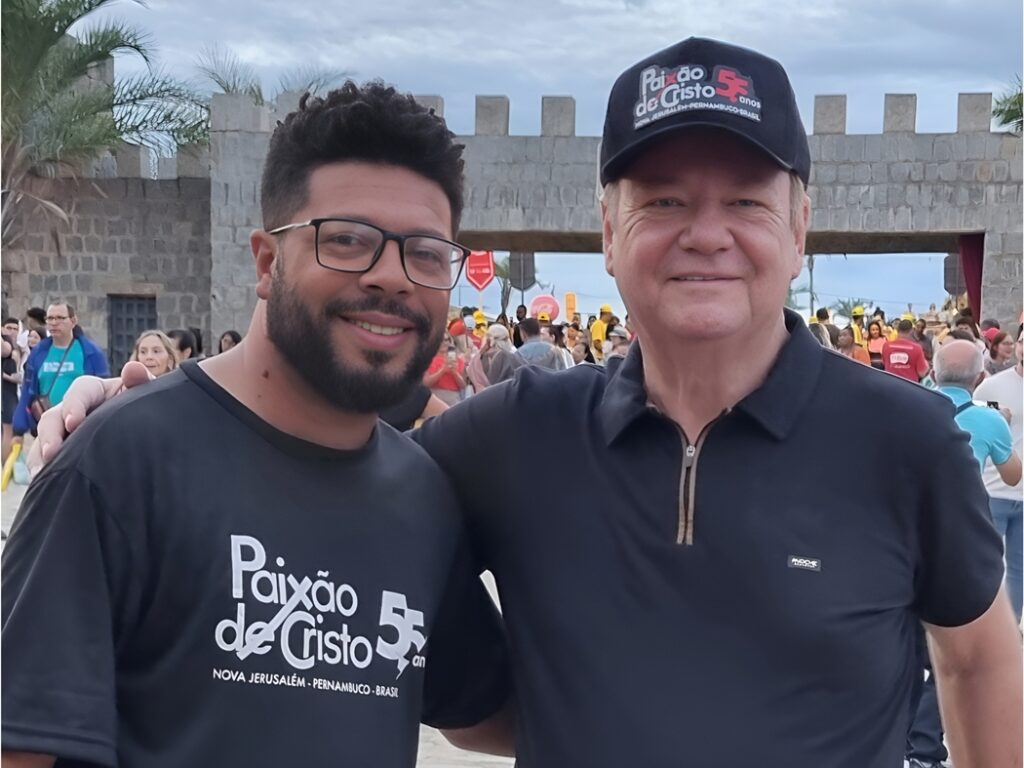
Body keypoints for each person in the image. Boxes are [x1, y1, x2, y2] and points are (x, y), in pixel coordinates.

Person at [26, 40, 1024, 767]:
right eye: (664, 201)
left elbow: (977, 660)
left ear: (800, 223)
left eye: (746, 202)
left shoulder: (904, 442)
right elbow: (314, 439)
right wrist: (135, 406)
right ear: (608, 227)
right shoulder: (506, 439)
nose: (704, 234)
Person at [3, 82, 512, 767]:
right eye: (348, 240)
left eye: (425, 252)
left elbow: (490, 713)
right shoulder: (119, 463)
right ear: (267, 262)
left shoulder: (423, 497)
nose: (392, 277)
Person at [907, 339, 1022, 768]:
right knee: (954, 654)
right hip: (956, 541)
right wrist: (1000, 431)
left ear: (933, 373)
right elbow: (1012, 477)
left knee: (905, 645)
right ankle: (924, 748)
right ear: (979, 379)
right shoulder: (988, 419)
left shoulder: (906, 407)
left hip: (902, 538)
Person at [976, 326, 1024, 621]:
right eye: (1022, 341)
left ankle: (1011, 630)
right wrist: (996, 412)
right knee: (985, 565)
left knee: (1019, 569)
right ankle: (982, 630)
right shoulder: (992, 387)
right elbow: (970, 415)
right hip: (993, 491)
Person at [12, 301, 109, 438]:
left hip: (81, 427)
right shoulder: (39, 352)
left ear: (73, 321)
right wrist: (18, 430)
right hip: (47, 426)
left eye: (60, 318)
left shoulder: (91, 353)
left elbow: (103, 390)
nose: (54, 322)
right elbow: (28, 390)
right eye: (50, 318)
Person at [466, 324, 525, 391]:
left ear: (488, 339)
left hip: (482, 398)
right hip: (507, 397)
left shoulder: (479, 358)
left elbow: (469, 375)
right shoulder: (512, 356)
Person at [423, 335, 467, 406]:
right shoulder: (427, 360)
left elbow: (463, 385)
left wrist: (454, 373)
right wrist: (442, 370)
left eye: (446, 340)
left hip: (453, 397)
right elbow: (426, 383)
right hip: (434, 396)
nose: (444, 342)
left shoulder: (459, 360)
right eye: (441, 340)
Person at [2, 334, 22, 463]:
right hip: (8, 396)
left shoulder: (15, 354)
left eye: (15, 329)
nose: (12, 331)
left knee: (9, 431)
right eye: (9, 328)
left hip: (11, 396)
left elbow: (19, 377)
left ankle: (6, 465)